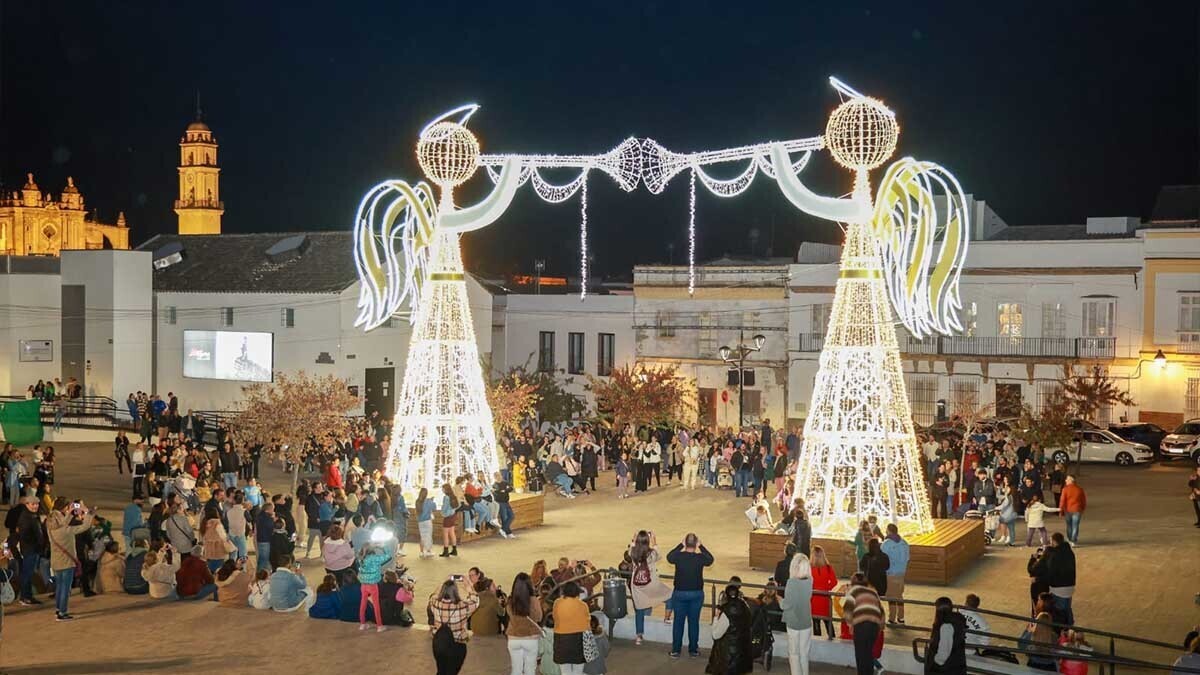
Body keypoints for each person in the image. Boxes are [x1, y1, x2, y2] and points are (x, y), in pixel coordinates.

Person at [666, 532, 714, 658]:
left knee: (678, 623)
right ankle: (693, 650)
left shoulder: (679, 556)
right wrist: (701, 546)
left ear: (685, 543)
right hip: (696, 594)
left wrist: (679, 545)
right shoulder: (700, 558)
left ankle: (676, 650)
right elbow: (710, 559)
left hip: (680, 593)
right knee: (694, 622)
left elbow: (669, 557)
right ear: (696, 544)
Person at [47, 497, 95, 620]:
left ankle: (58, 609)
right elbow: (84, 527)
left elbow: (63, 522)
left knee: (59, 586)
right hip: (66, 561)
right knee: (65, 588)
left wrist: (71, 512)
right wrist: (89, 514)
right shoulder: (66, 530)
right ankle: (62, 612)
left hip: (55, 561)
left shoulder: (51, 526)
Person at [429, 576, 480, 675]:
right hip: (457, 644)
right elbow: (476, 601)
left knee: (441, 670)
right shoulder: (462, 606)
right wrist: (469, 587)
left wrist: (442, 583)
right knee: (452, 672)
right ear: (456, 591)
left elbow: (433, 595)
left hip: (439, 643)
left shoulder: (435, 603)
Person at [629, 530, 672, 645]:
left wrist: (634, 539)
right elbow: (659, 554)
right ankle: (667, 618)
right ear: (648, 541)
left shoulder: (632, 553)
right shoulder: (652, 554)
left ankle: (639, 636)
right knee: (670, 596)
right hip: (651, 585)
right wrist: (654, 540)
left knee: (639, 609)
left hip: (638, 587)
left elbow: (632, 547)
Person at [842, 573, 884, 675]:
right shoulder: (873, 592)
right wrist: (881, 628)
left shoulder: (852, 591)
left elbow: (847, 611)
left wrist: (850, 625)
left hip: (860, 626)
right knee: (868, 654)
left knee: (861, 655)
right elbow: (882, 612)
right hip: (874, 625)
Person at [706, 583, 753, 675]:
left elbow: (715, 635)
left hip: (727, 659)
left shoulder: (726, 611)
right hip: (743, 656)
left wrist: (716, 618)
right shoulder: (745, 607)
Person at [780, 554, 814, 675]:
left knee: (794, 654)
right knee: (804, 654)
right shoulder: (810, 581)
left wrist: (780, 601)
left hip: (793, 622)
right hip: (806, 621)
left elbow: (787, 604)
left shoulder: (792, 583)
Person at [507, 572, 544, 675]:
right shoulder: (534, 600)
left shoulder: (510, 601)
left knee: (516, 669)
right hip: (530, 638)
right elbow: (539, 617)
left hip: (514, 637)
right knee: (530, 669)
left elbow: (510, 615)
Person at [924, 596, 967, 674]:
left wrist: (934, 664)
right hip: (955, 665)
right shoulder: (956, 620)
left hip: (946, 669)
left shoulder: (946, 626)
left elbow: (943, 653)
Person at [357, 541, 392, 632]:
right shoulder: (374, 558)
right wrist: (382, 546)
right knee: (376, 605)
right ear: (372, 550)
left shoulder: (360, 557)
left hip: (363, 584)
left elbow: (360, 551)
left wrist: (368, 546)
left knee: (363, 603)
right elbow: (388, 555)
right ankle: (379, 626)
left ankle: (362, 623)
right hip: (372, 584)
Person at [15, 496, 44, 605]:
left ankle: (27, 596)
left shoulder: (29, 516)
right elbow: (28, 535)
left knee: (27, 573)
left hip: (29, 548)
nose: (35, 506)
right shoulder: (28, 517)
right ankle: (25, 597)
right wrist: (38, 544)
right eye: (32, 504)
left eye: (36, 504)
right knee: (27, 573)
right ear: (27, 504)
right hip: (30, 549)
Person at [880, 523, 910, 625]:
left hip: (890, 573)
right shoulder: (904, 543)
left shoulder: (886, 544)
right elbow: (907, 558)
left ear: (888, 531)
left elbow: (882, 558)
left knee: (891, 596)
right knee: (899, 595)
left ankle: (892, 618)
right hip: (901, 573)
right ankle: (901, 617)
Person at [810, 546, 838, 640]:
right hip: (825, 598)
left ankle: (817, 642)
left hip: (814, 598)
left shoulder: (810, 569)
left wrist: (813, 588)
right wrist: (826, 588)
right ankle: (832, 639)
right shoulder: (828, 568)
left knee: (816, 623)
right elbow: (834, 581)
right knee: (828, 622)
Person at [1059, 476, 1086, 545]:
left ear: (1071, 480)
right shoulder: (1079, 489)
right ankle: (1073, 540)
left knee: (1069, 525)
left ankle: (1070, 538)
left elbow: (1062, 500)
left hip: (1068, 510)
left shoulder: (1065, 489)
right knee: (1075, 525)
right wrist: (1082, 508)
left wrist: (1061, 510)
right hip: (1077, 509)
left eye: (1067, 479)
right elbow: (1083, 500)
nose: (1065, 480)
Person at [440, 484, 460, 558]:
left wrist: (442, 513)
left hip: (447, 516)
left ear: (445, 489)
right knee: (452, 533)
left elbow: (444, 507)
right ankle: (454, 550)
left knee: (445, 534)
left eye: (443, 489)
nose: (442, 490)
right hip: (453, 515)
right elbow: (457, 505)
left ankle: (446, 551)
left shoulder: (446, 497)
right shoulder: (453, 496)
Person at [416, 487, 436, 558]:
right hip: (427, 520)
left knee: (422, 536)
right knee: (428, 536)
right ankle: (428, 551)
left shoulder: (417, 501)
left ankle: (421, 551)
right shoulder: (428, 502)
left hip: (420, 521)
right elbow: (434, 507)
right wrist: (432, 501)